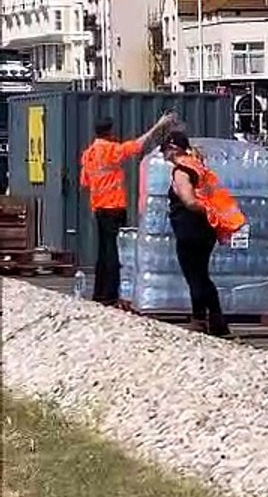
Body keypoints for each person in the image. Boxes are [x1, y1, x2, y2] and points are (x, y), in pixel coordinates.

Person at [79, 112, 175, 304]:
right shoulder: (111, 150)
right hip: (114, 205)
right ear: (109, 131)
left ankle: (99, 292)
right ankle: (111, 293)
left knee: (103, 250)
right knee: (113, 251)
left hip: (98, 207)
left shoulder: (88, 154)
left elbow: (85, 182)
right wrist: (158, 126)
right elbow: (138, 145)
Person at [162, 132, 232, 337]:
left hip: (190, 229)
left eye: (166, 149)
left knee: (194, 276)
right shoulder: (198, 166)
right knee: (202, 275)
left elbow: (189, 201)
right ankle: (218, 321)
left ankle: (199, 319)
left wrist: (206, 210)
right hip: (206, 230)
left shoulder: (181, 171)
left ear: (174, 149)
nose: (165, 154)